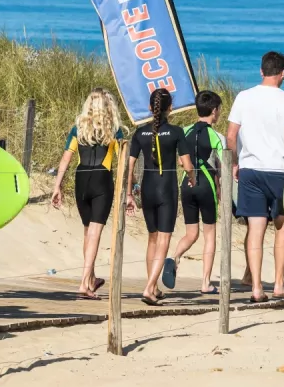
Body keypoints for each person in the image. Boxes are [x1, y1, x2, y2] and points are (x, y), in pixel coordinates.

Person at [226, 51, 284, 304]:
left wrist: (235, 162)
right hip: (280, 171)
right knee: (282, 227)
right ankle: (279, 284)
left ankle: (257, 287)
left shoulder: (243, 97)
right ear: (283, 73)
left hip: (251, 170)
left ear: (261, 71)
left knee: (255, 230)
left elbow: (230, 135)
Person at [50, 88, 124, 299]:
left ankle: (90, 279)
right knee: (95, 232)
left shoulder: (78, 128)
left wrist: (57, 186)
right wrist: (130, 186)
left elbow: (66, 158)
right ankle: (84, 283)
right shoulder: (114, 130)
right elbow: (122, 161)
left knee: (87, 231)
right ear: (109, 106)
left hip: (81, 178)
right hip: (102, 179)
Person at [126, 88, 194, 306]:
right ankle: (148, 288)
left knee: (152, 238)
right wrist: (192, 177)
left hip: (147, 188)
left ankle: (153, 286)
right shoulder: (175, 132)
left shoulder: (140, 133)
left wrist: (128, 192)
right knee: (164, 238)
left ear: (149, 108)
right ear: (170, 108)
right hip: (166, 189)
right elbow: (186, 163)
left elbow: (130, 165)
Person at [171, 90, 226, 295]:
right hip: (206, 184)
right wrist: (220, 187)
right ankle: (205, 283)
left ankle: (175, 257)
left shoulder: (184, 131)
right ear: (214, 111)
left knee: (190, 233)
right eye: (219, 110)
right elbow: (224, 164)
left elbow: (179, 159)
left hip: (187, 184)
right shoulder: (216, 136)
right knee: (209, 234)